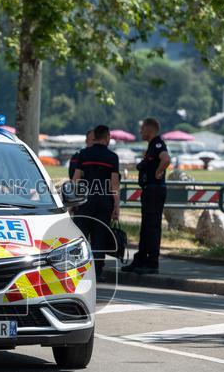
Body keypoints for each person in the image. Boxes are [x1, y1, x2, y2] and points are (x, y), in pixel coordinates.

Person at [72, 125, 120, 280]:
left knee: (81, 236)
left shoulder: (84, 154)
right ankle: (97, 272)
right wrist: (116, 206)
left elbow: (76, 179)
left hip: (85, 200)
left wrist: (73, 200)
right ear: (107, 138)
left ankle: (78, 270)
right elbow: (114, 185)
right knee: (100, 236)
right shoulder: (112, 157)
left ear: (95, 137)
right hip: (104, 201)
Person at [124, 117, 171, 275]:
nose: (140, 131)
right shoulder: (152, 146)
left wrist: (158, 171)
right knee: (146, 228)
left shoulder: (158, 144)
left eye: (142, 128)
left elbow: (166, 159)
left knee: (151, 227)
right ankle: (141, 260)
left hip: (154, 190)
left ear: (149, 129)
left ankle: (152, 262)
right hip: (150, 190)